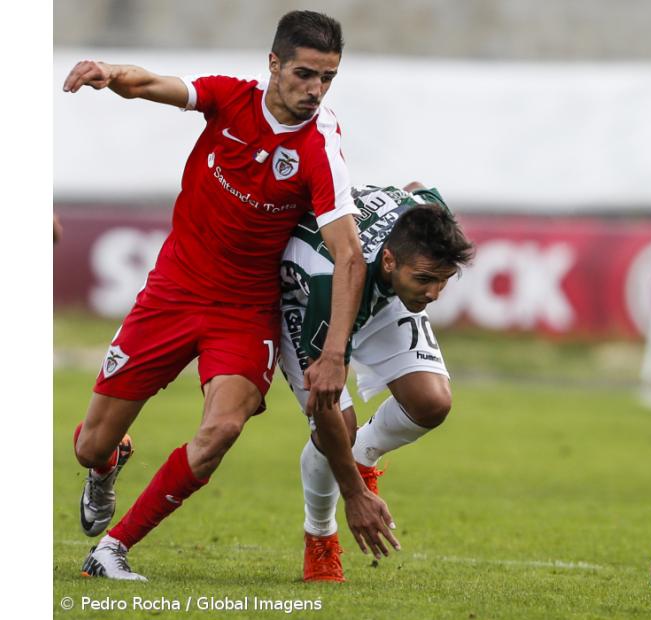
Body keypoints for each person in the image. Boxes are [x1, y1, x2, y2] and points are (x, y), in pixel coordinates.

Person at [62, 10, 396, 581]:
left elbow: (348, 254)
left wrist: (334, 353)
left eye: (327, 78)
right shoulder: (229, 99)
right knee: (90, 445)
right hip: (173, 292)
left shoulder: (320, 146)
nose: (314, 89)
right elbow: (153, 85)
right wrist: (110, 72)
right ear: (273, 65)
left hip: (244, 312)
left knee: (223, 428)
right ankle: (107, 464)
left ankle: (112, 550)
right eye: (304, 74)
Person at [279, 183, 474, 581]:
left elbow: (418, 189)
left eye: (444, 279)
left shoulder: (424, 216)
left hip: (381, 294)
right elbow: (326, 401)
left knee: (431, 402)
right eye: (425, 279)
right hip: (310, 303)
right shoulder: (329, 280)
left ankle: (362, 457)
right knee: (337, 424)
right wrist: (354, 496)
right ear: (390, 260)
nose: (435, 293)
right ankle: (320, 536)